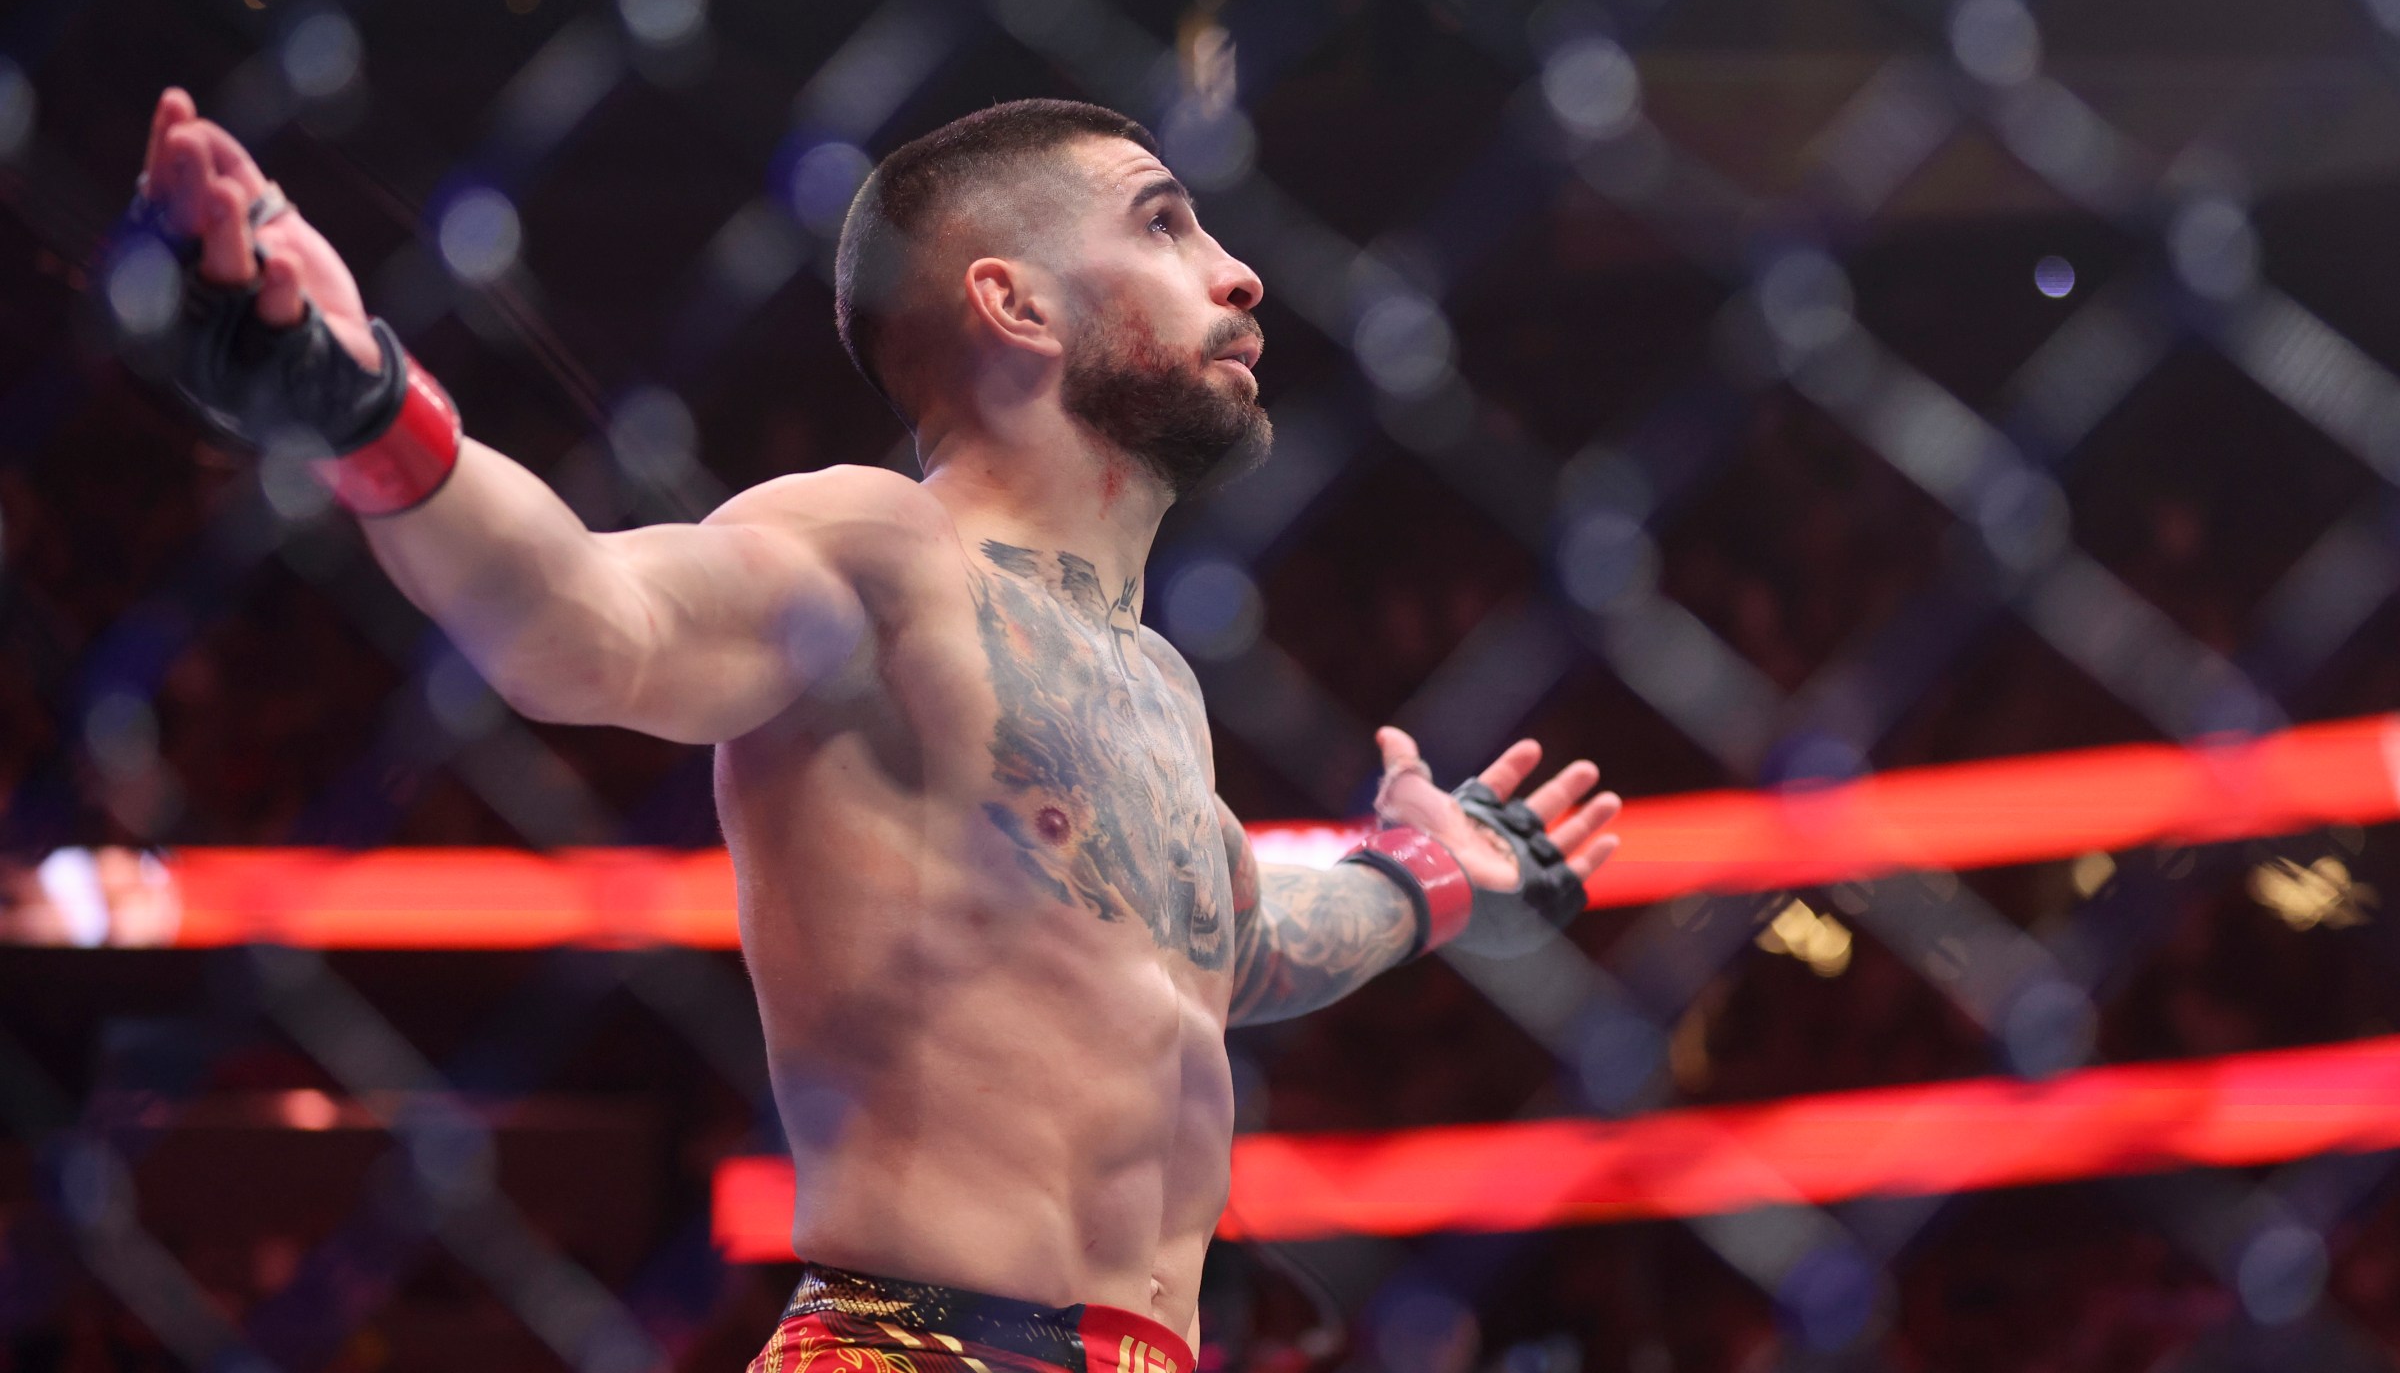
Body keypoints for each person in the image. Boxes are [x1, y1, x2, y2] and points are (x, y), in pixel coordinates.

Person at [123, 88, 1625, 1373]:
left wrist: (1433, 878)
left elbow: (1228, 945)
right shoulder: (877, 551)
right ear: (1015, 303)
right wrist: (369, 409)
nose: (1239, 276)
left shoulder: (1158, 685)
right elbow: (589, 623)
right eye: (1166, 225)